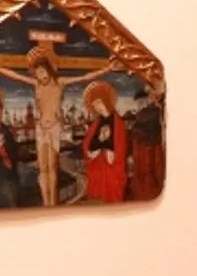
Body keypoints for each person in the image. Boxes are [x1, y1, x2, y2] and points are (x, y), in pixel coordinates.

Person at [0, 46, 115, 205]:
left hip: (53, 128)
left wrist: (107, 69)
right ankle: (46, 203)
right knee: (43, 169)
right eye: (37, 73)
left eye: (42, 71)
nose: (41, 75)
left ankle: (53, 203)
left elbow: (84, 77)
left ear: (48, 70)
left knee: (52, 167)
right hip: (41, 129)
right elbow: (16, 76)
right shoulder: (36, 84)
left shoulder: (60, 83)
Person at [81, 80, 127, 203]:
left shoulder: (118, 123)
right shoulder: (96, 123)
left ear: (105, 101)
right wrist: (91, 152)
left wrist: (110, 154)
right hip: (98, 168)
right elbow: (87, 144)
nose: (97, 107)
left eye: (98, 102)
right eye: (94, 105)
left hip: (112, 169)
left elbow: (121, 147)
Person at [128, 82, 165, 200]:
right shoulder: (144, 112)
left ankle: (148, 191)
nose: (139, 104)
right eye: (138, 102)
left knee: (148, 169)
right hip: (141, 144)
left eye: (141, 101)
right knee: (142, 168)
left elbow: (148, 127)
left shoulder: (153, 110)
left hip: (149, 144)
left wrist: (136, 130)